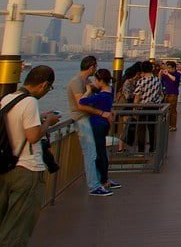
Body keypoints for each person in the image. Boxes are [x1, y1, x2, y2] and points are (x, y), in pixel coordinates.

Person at [0, 66, 61, 245]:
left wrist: (39, 118)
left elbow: (15, 123)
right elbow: (33, 136)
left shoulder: (7, 99)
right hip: (26, 170)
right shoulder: (30, 102)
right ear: (44, 85)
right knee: (17, 227)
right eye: (49, 88)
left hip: (6, 166)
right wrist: (48, 122)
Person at [66, 56, 112, 195]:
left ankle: (100, 180)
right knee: (90, 152)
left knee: (95, 151)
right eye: (95, 67)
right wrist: (102, 112)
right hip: (82, 120)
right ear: (91, 67)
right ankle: (94, 185)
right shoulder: (76, 82)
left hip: (90, 119)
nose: (96, 69)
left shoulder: (86, 82)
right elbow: (81, 104)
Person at [78, 69, 118, 194]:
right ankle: (104, 178)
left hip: (97, 124)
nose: (94, 82)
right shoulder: (109, 92)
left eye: (96, 80)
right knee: (102, 151)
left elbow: (82, 101)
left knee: (99, 153)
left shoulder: (101, 96)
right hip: (104, 124)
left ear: (100, 81)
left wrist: (88, 91)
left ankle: (103, 179)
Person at [133, 61, 164, 152]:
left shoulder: (141, 81)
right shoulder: (157, 80)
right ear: (152, 68)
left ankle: (141, 150)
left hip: (142, 107)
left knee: (141, 129)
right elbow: (160, 93)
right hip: (154, 107)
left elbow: (137, 95)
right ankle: (152, 148)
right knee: (152, 128)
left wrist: (135, 107)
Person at [160, 61, 181, 131]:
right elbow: (160, 81)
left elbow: (175, 80)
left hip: (173, 93)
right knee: (167, 110)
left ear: (173, 68)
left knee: (173, 110)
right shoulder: (166, 75)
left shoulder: (177, 74)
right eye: (167, 67)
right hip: (167, 93)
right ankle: (168, 125)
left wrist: (167, 74)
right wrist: (160, 74)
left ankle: (173, 125)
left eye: (169, 68)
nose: (168, 69)